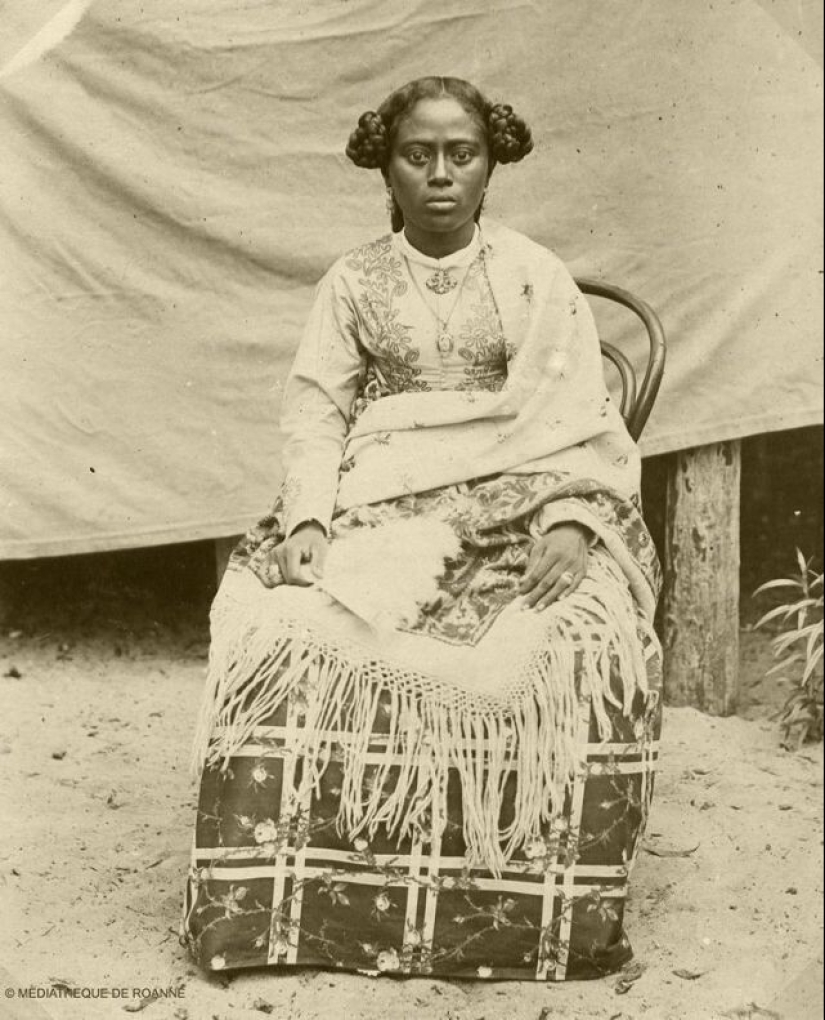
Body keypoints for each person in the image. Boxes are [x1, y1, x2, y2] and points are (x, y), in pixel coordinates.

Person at [181, 76, 662, 982]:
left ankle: (525, 918)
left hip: (528, 494)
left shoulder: (532, 273)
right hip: (384, 494)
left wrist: (570, 521)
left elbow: (581, 420)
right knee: (275, 624)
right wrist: (311, 519)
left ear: (490, 166)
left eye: (461, 154)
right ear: (386, 169)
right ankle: (288, 915)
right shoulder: (353, 280)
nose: (440, 175)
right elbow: (317, 411)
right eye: (418, 155)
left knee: (577, 638)